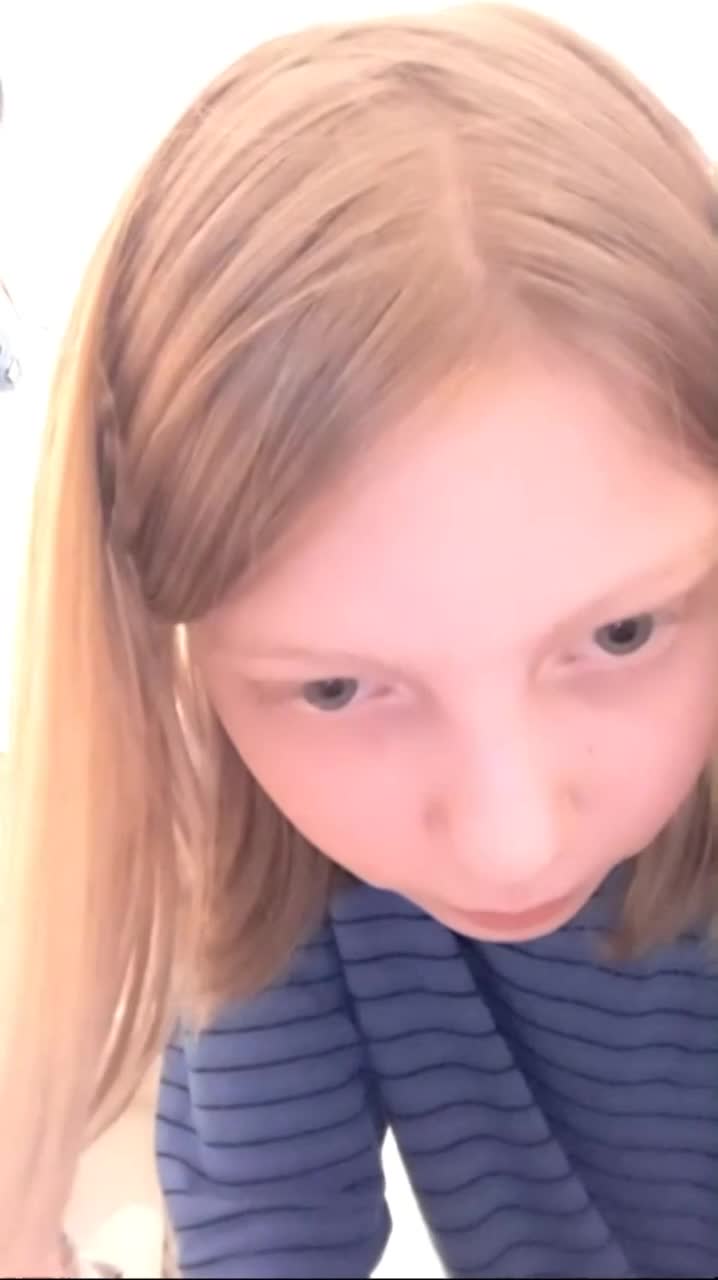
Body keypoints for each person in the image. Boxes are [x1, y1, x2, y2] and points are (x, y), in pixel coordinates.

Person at [2, 4, 718, 1277]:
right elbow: (267, 1234)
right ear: (187, 648)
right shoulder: (272, 848)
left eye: (619, 632)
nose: (511, 838)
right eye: (336, 688)